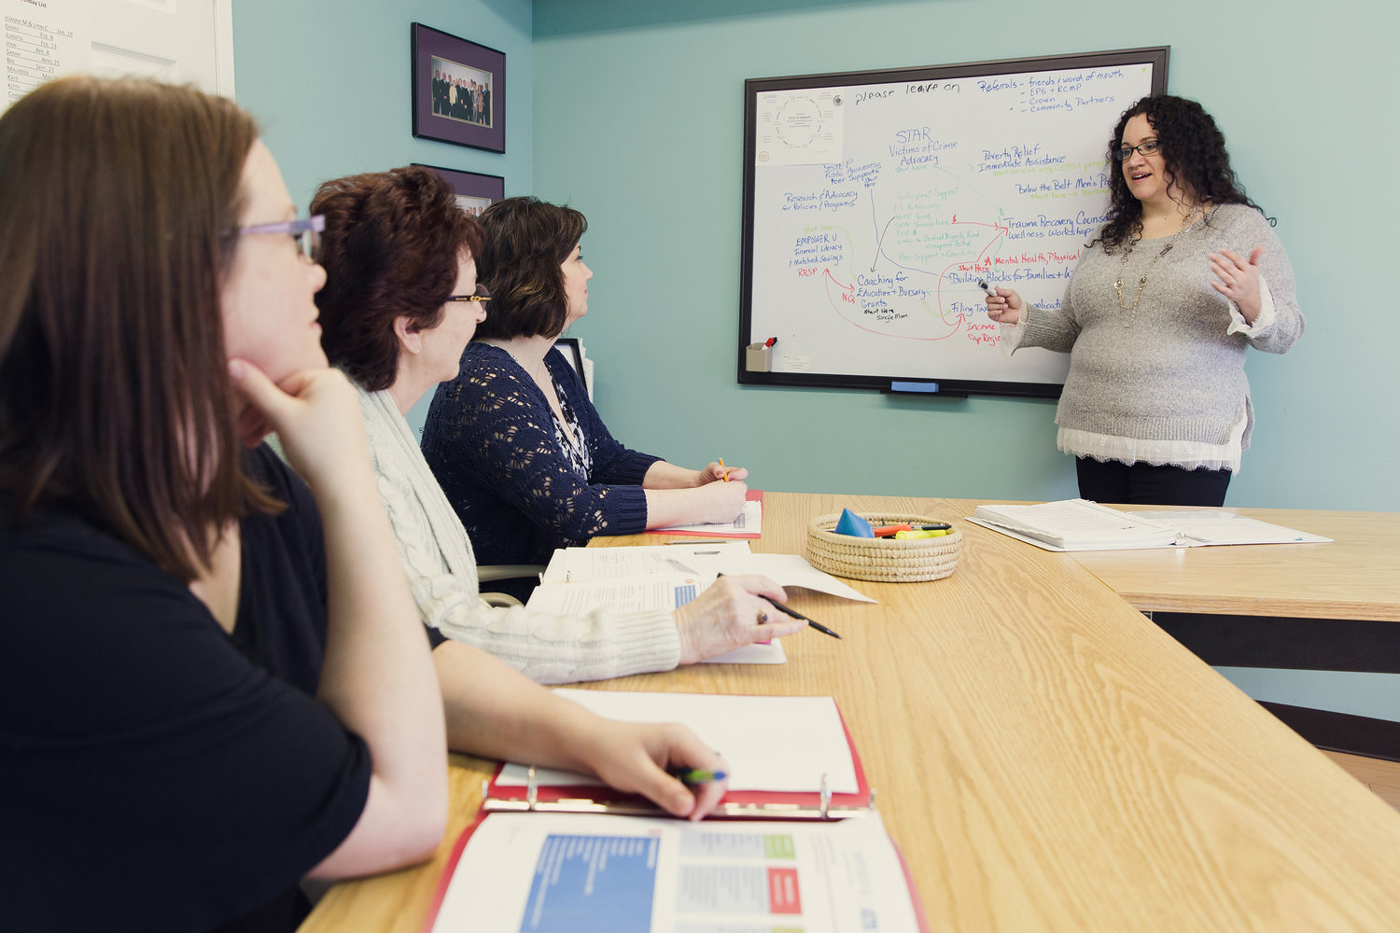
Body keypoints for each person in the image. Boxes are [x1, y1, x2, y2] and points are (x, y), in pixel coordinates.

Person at [0, 79, 725, 933]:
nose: (315, 273)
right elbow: (400, 804)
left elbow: (420, 657)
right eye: (286, 239)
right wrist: (344, 483)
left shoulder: (247, 487)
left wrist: (590, 739)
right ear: (168, 277)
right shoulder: (64, 591)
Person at [312, 167, 805, 683]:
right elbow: (445, 635)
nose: (481, 316)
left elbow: (605, 459)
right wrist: (679, 628)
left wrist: (693, 487)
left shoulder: (378, 421)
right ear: (411, 327)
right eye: (469, 299)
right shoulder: (406, 422)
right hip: (521, 600)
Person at [985, 94, 1303, 506]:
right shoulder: (1108, 237)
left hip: (1186, 441)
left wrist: (1252, 301)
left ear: (1187, 148)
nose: (1134, 159)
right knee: (1102, 567)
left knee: (1164, 570)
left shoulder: (1236, 225)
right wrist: (1024, 317)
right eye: (1126, 150)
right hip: (1096, 431)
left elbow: (1287, 332)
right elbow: (1076, 328)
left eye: (1150, 145)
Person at [422, 196, 748, 571]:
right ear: (537, 274)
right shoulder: (486, 381)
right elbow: (574, 509)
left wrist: (693, 481)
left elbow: (606, 460)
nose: (589, 272)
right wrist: (705, 505)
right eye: (577, 258)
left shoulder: (548, 359)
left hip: (571, 567)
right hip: (521, 589)